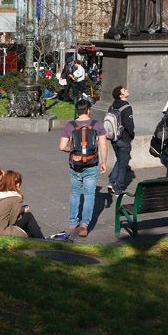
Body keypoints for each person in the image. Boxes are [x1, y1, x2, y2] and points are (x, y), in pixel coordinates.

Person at [59, 100, 108, 239]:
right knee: (89, 195)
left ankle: (72, 223)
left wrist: (73, 150)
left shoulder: (70, 125)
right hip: (92, 163)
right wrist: (103, 162)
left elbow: (62, 146)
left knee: (75, 193)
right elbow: (103, 145)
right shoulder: (97, 125)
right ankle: (85, 225)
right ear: (89, 110)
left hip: (75, 164)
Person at [0, 170, 45, 238]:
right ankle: (43, 241)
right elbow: (12, 221)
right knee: (28, 216)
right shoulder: (15, 197)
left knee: (25, 219)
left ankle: (36, 240)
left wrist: (21, 209)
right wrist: (22, 211)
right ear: (17, 184)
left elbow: (4, 209)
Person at [107, 85, 135, 195]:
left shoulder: (112, 106)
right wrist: (131, 135)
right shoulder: (127, 107)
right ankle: (118, 188)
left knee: (119, 160)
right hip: (124, 139)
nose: (127, 90)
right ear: (121, 95)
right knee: (123, 165)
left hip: (114, 138)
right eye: (124, 90)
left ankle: (111, 182)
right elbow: (129, 125)